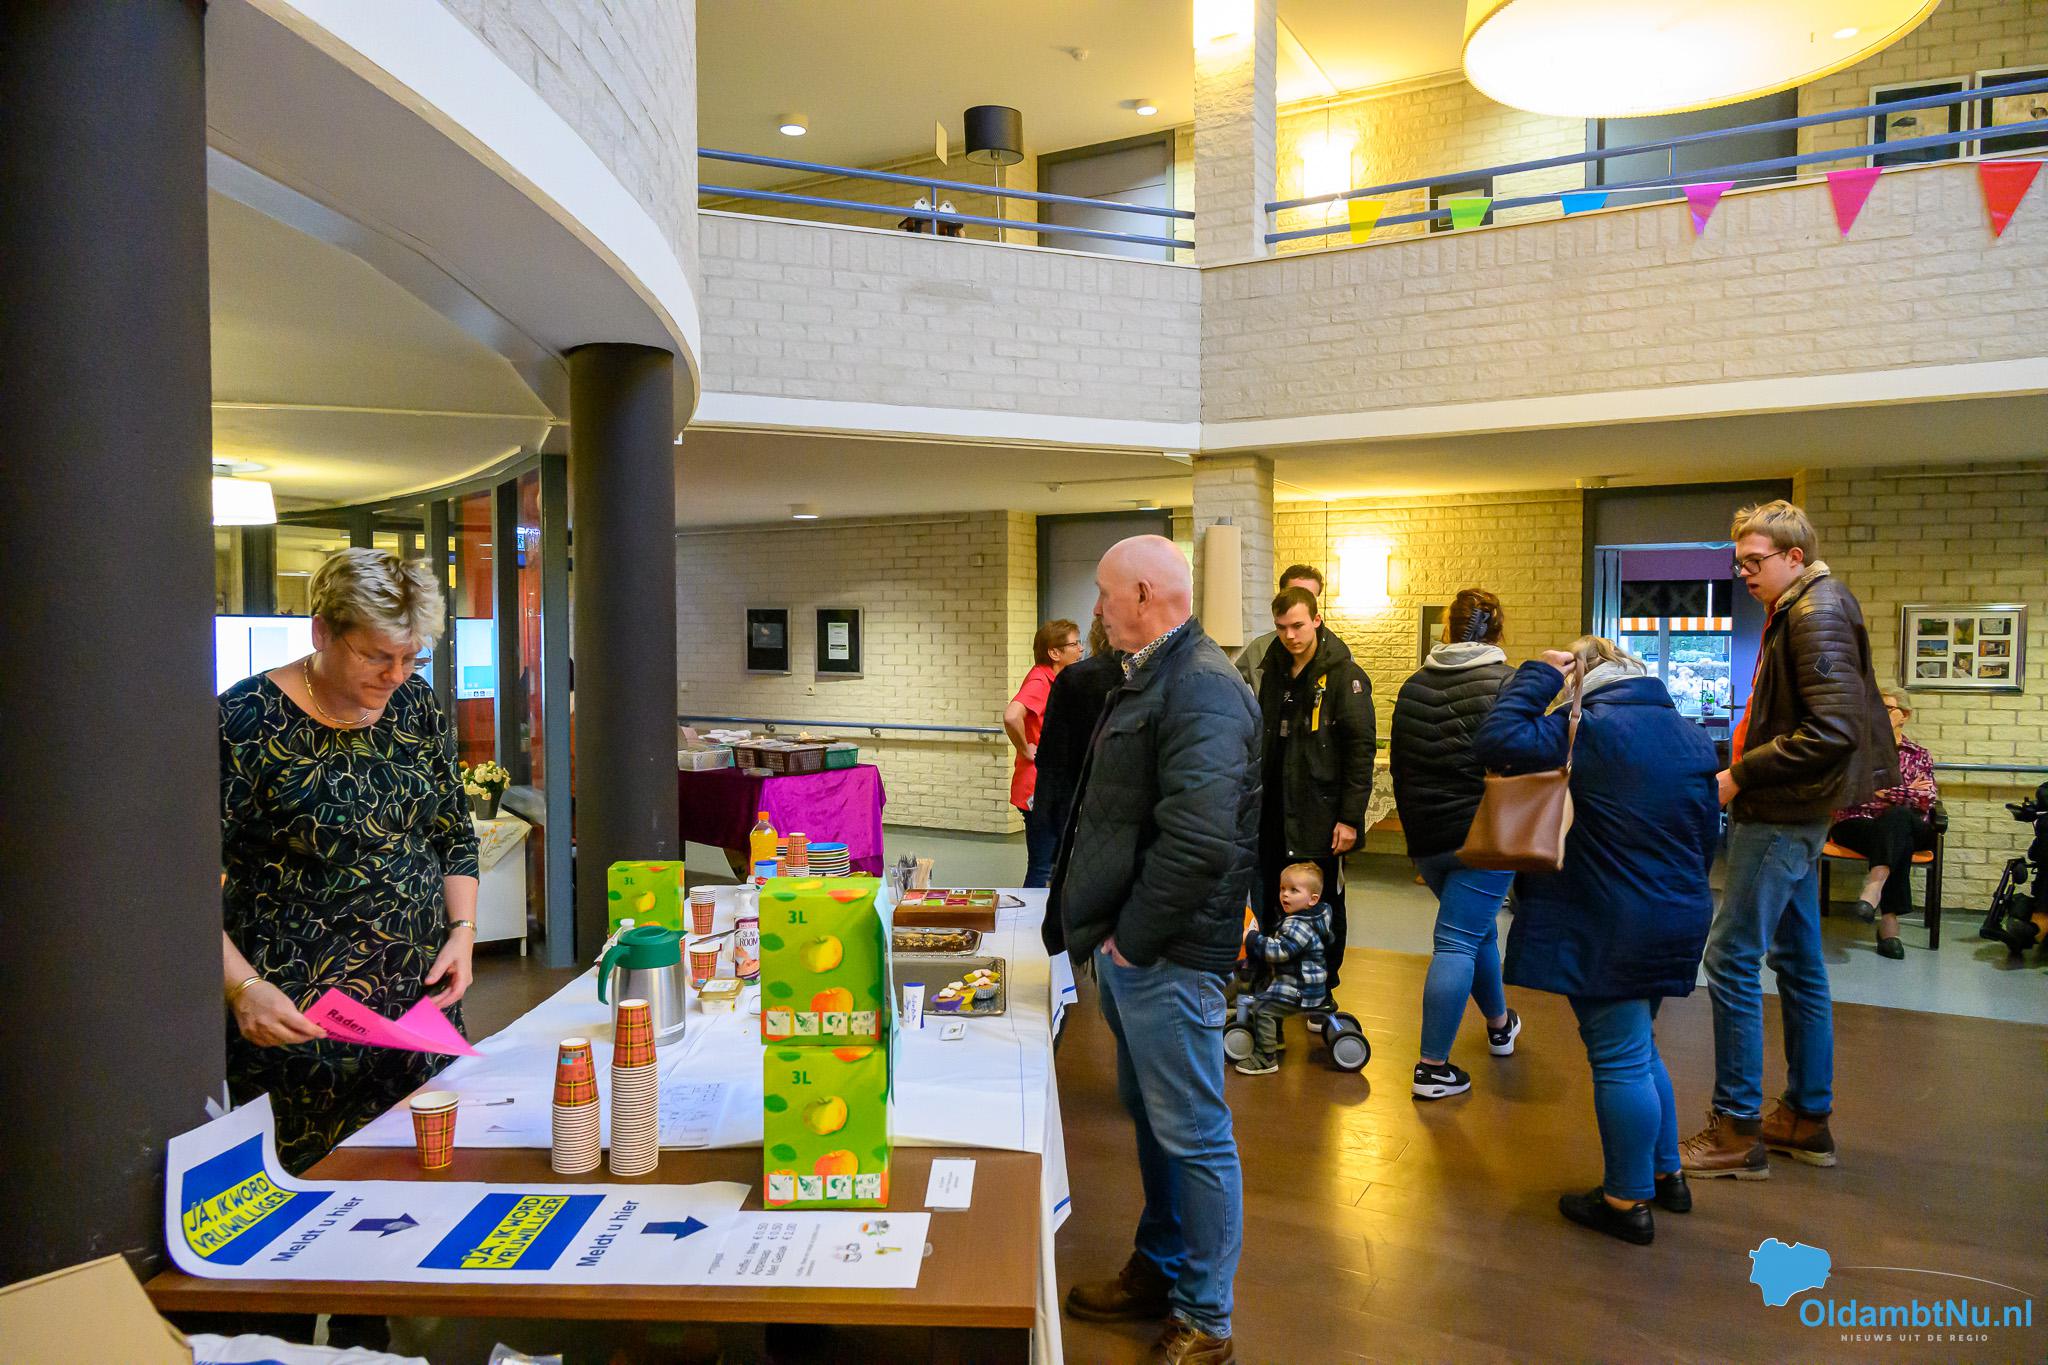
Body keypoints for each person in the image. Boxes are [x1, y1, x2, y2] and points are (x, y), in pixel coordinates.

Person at [1055, 535, 1258, 1365]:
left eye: (1106, 594)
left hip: (1168, 953)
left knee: (1196, 1134)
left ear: (1143, 594)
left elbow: (1199, 841)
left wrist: (1131, 942)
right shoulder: (1155, 674)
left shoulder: (1201, 685)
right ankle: (1163, 1264)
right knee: (1157, 1122)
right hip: (1140, 951)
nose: (1097, 610)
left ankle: (1207, 1317)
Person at [220, 548, 481, 1176]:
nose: (395, 675)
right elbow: (175, 884)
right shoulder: (244, 721)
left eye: (411, 658)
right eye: (376, 656)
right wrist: (242, 987)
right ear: (322, 632)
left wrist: (463, 933)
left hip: (420, 1007)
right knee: (318, 1188)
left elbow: (452, 830)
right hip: (298, 1019)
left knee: (435, 1172)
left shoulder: (414, 703)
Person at [1474, 637, 1719, 1245]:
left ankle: (1625, 1200)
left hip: (1608, 915)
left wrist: (1538, 675)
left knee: (1620, 1056)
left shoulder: (1586, 729)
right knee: (1639, 1046)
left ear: (1582, 678)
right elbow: (1706, 832)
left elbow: (1496, 739)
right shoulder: (1691, 735)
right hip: (1676, 909)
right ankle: (1665, 1174)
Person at [1683, 500, 1897, 1179]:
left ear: (1794, 556)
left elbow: (1832, 731)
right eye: (1739, 562)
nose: (1745, 573)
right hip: (1793, 810)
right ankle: (1806, 1119)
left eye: (1755, 561)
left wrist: (1739, 774)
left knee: (1730, 957)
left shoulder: (1815, 611)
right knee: (1799, 961)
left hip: (1780, 813)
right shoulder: (1802, 607)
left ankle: (1736, 1129)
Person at [1390, 588, 1521, 1101]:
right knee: (1457, 942)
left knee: (1475, 931)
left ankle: (1500, 1025)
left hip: (1427, 836)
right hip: (1483, 835)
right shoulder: (1507, 682)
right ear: (1497, 629)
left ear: (1448, 627)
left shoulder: (1413, 685)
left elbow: (1401, 764)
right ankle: (1432, 1069)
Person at [1255, 586, 1372, 1005]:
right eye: (1281, 627)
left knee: (1321, 903)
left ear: (1317, 621)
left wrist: (1350, 818)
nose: (1290, 635)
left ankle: (1322, 987)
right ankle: (1278, 980)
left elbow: (1360, 751)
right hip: (1274, 808)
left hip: (1320, 813)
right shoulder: (1273, 671)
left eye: (1298, 625)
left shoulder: (1344, 676)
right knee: (1277, 896)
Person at [1828, 691, 1938, 961]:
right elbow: (1850, 791)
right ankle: (1889, 923)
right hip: (1857, 823)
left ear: (1905, 715)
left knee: (1897, 817)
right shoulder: (1857, 752)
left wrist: (1883, 792)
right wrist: (1907, 790)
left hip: (1906, 823)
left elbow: (1927, 798)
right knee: (1898, 832)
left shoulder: (1919, 755)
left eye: (1886, 708)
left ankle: (1874, 886)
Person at [1035, 617, 1122, 956]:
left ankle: (1079, 961)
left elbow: (1053, 755)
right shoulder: (1154, 677)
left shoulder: (1075, 679)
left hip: (1081, 803)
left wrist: (1052, 816)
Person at [1233, 862, 1332, 1077]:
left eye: (1294, 890)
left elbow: (1280, 952)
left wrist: (1252, 939)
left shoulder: (1298, 924)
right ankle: (1274, 1037)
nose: (1285, 895)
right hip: (1305, 984)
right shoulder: (1309, 918)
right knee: (1268, 993)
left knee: (1262, 1007)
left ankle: (1265, 1057)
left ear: (1312, 899)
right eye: (1282, 888)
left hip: (1301, 988)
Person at [1006, 618, 1083, 888]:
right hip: (1036, 787)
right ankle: (1031, 913)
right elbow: (1012, 716)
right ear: (1054, 652)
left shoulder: (1056, 681)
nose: (1081, 650)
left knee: (1053, 864)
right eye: (1075, 644)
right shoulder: (1040, 680)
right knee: (1041, 867)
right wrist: (1025, 748)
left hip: (1050, 786)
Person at [1233, 562, 1324, 687]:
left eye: (1308, 597)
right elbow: (1230, 684)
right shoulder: (1259, 648)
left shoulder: (1335, 652)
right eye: (1294, 594)